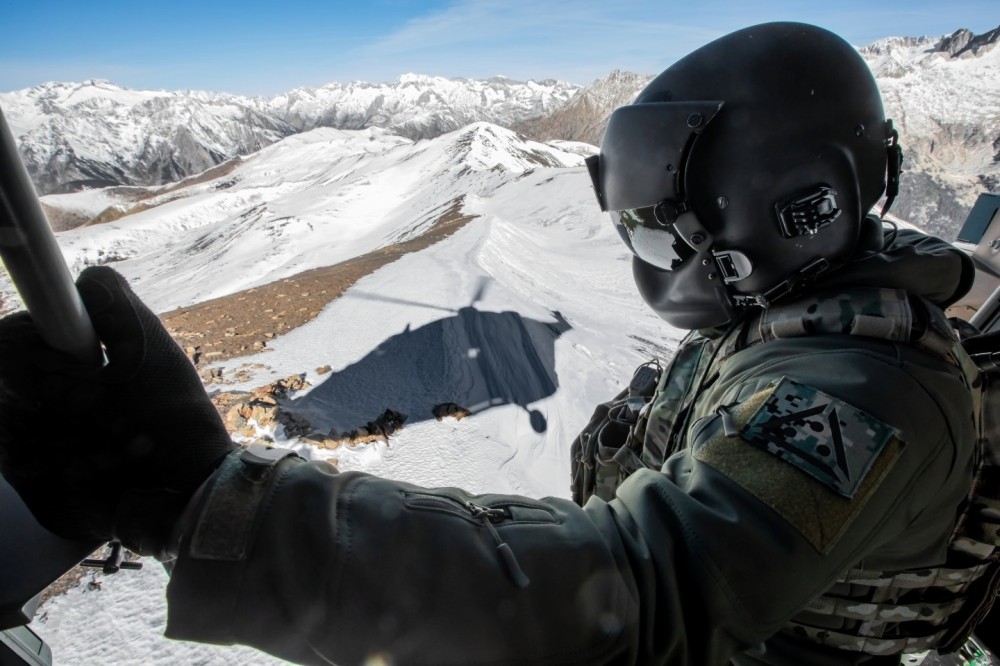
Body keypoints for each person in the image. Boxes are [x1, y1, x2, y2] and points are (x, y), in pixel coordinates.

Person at [0, 22, 993, 666]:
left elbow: (639, 595)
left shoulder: (863, 392)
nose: (655, 254)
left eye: (667, 223)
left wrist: (205, 504)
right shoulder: (811, 292)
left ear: (799, 205)